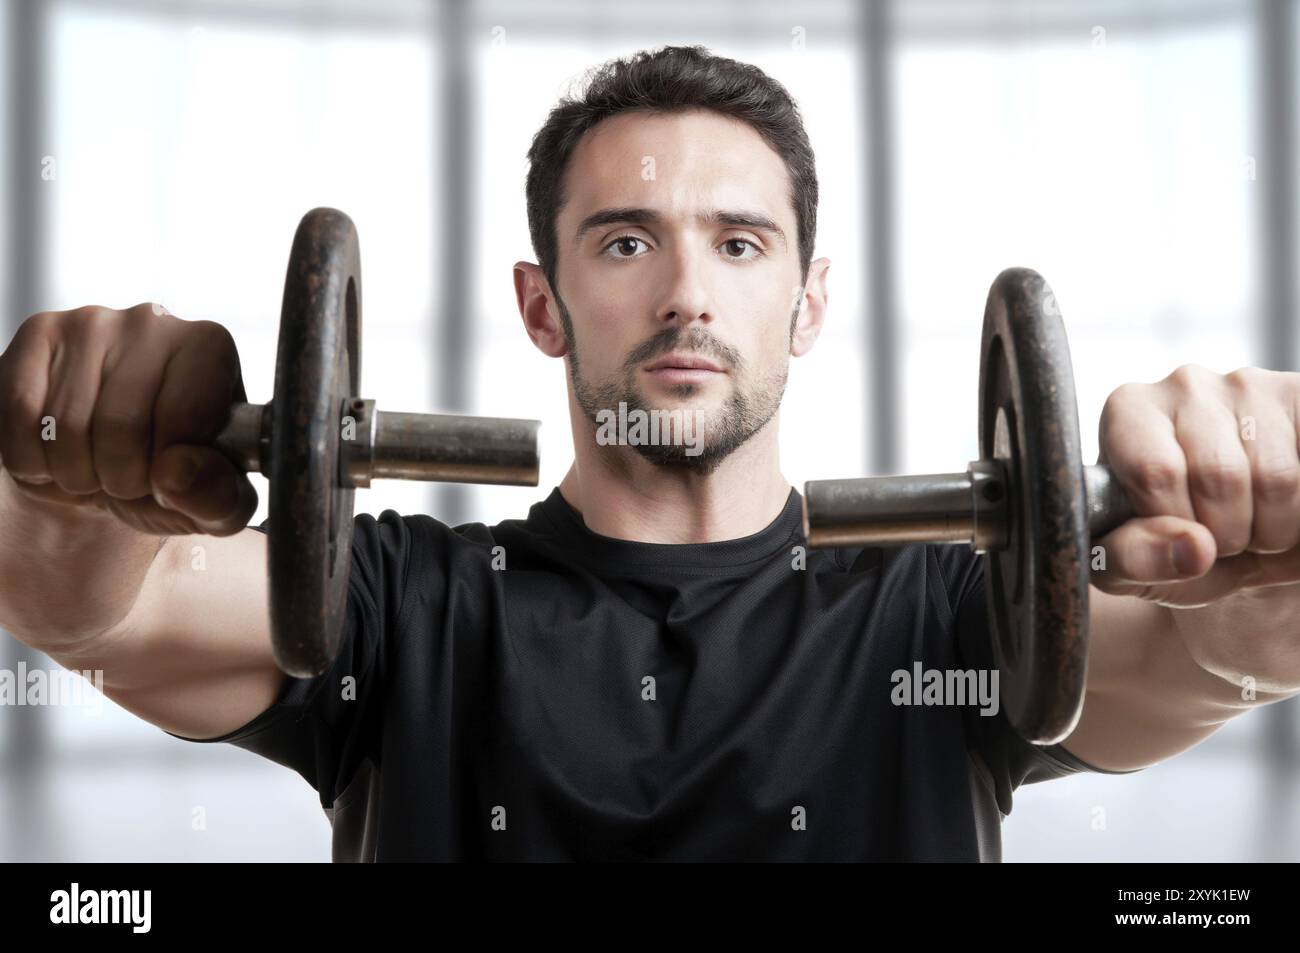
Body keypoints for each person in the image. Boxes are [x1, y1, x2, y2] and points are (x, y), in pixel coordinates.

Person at [2, 45, 1297, 862]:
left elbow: (1210, 653)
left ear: (808, 301)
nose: (687, 293)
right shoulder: (397, 606)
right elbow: (103, 602)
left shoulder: (948, 624)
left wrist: (1268, 562)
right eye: (626, 241)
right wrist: (80, 466)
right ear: (540, 301)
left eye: (739, 243)